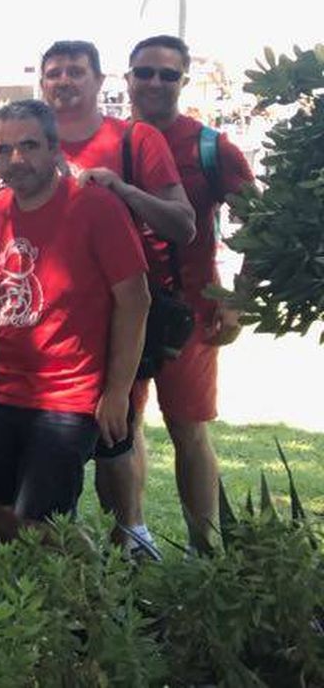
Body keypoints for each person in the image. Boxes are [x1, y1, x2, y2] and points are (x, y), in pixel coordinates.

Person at [0, 100, 150, 541]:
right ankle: (36, 576)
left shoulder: (96, 209)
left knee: (41, 519)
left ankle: (77, 585)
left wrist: (116, 391)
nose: (16, 159)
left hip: (67, 395)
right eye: (4, 149)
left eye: (29, 146)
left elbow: (135, 300)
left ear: (55, 149)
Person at [37, 39, 195, 558]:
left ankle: (130, 539)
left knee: (115, 427)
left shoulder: (135, 139)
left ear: (101, 81)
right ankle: (67, 553)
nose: (64, 80)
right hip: (46, 320)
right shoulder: (26, 142)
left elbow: (183, 224)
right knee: (49, 437)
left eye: (75, 71)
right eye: (54, 72)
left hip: (118, 311)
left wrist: (121, 190)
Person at [127, 34, 256, 553]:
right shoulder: (112, 141)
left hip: (190, 308)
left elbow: (262, 224)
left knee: (189, 429)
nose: (155, 82)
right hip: (120, 309)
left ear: (183, 80)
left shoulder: (209, 146)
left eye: (168, 74)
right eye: (145, 72)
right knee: (121, 427)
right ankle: (132, 539)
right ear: (128, 76)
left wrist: (239, 298)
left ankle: (204, 547)